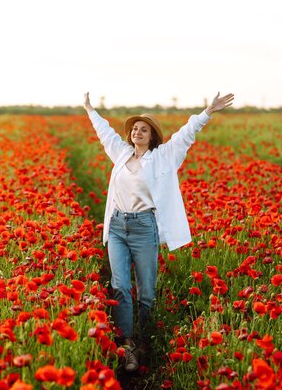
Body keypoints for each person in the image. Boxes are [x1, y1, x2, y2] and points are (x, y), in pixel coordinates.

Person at [83, 91, 234, 372]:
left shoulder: (165, 157)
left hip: (144, 228)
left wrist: (208, 111)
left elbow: (185, 135)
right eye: (135, 129)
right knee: (120, 285)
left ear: (152, 136)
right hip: (117, 225)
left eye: (144, 130)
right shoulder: (122, 153)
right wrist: (90, 110)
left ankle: (146, 342)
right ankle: (127, 344)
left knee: (147, 291)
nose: (137, 132)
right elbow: (105, 134)